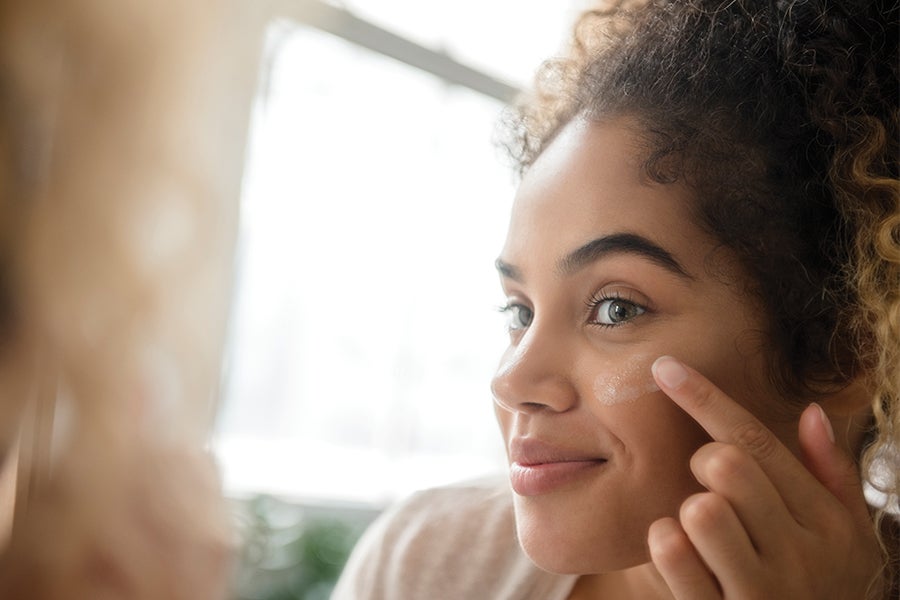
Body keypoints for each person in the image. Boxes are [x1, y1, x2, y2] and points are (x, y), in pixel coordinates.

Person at [331, 0, 899, 598]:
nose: (511, 382)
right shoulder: (422, 562)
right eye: (520, 312)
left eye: (615, 309)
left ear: (844, 350)